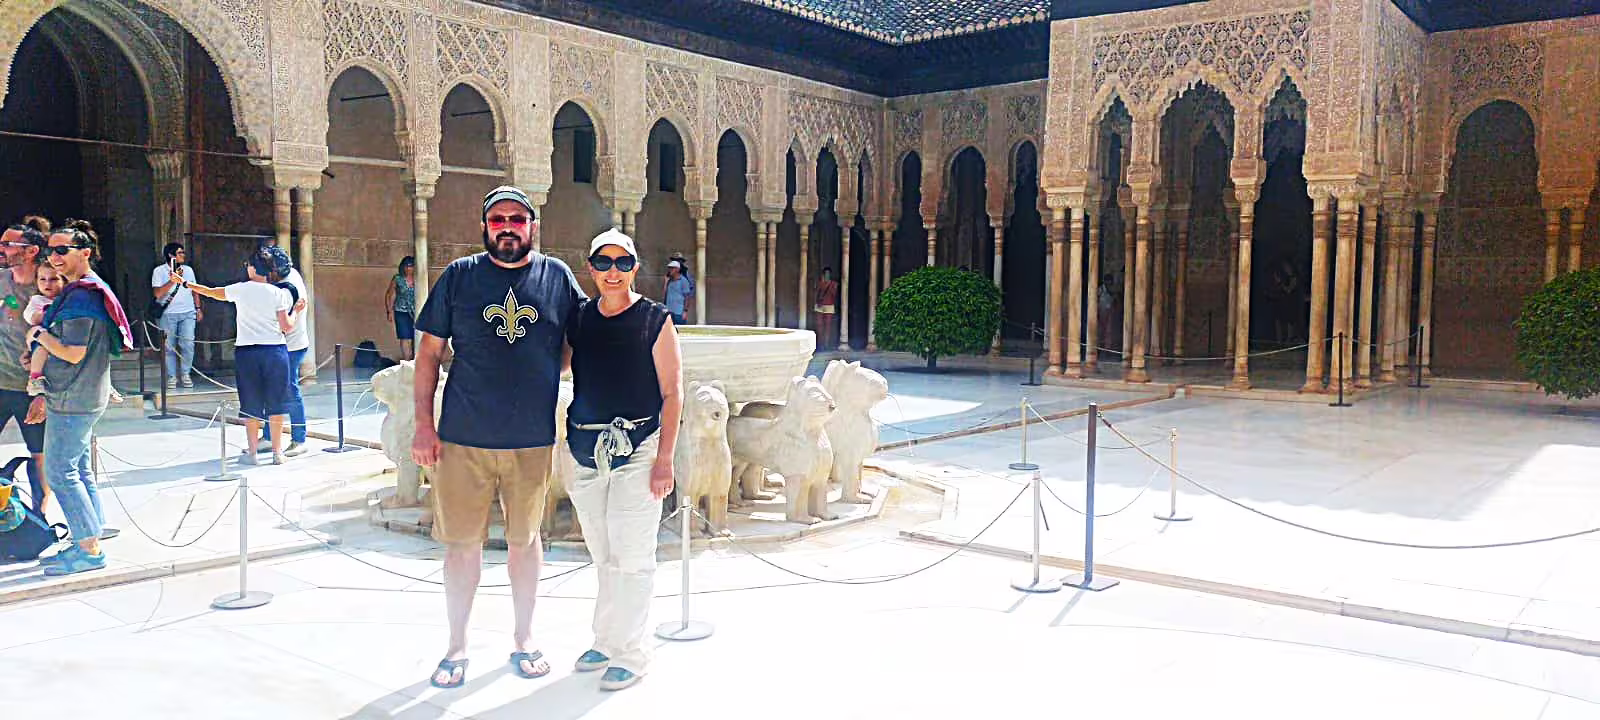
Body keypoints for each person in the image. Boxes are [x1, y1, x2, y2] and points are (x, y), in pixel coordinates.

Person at [411, 186, 586, 688]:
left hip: (531, 438)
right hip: (463, 437)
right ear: (484, 227)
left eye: (517, 219)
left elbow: (581, 341)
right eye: (497, 220)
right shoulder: (459, 278)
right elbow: (428, 357)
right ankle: (457, 645)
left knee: (525, 540)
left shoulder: (556, 277)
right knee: (461, 545)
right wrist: (424, 426)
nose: (507, 227)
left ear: (533, 225)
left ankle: (524, 638)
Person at [566, 229, 682, 691]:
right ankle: (607, 638)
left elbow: (672, 394)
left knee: (633, 553)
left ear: (634, 268)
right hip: (584, 448)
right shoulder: (579, 318)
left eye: (622, 262)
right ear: (590, 268)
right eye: (603, 262)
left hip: (639, 448)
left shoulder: (654, 319)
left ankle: (632, 651)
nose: (612, 271)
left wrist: (665, 460)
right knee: (603, 551)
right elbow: (557, 365)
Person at [31, 220, 134, 576]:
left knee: (60, 472)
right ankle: (89, 534)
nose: (54, 257)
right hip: (83, 392)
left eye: (62, 250)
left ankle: (89, 550)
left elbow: (74, 352)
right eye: (51, 250)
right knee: (78, 468)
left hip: (73, 395)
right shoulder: (87, 291)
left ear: (84, 253)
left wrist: (40, 337)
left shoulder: (81, 297)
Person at [180, 247, 298, 465]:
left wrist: (188, 285)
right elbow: (286, 326)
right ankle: (277, 453)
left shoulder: (241, 290)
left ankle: (252, 453)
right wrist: (296, 311)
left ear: (253, 268)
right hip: (274, 351)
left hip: (247, 352)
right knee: (276, 402)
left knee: (251, 402)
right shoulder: (278, 293)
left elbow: (212, 292)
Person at [0, 217, 51, 518]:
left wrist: (44, 394)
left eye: (8, 244)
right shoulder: (2, 279)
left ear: (31, 251)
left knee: (40, 456)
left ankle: (39, 518)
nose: (2, 248)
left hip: (30, 388)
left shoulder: (47, 285)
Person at [255, 249, 310, 456]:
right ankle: (270, 437)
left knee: (290, 391)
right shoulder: (289, 276)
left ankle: (299, 439)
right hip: (283, 345)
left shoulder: (287, 289)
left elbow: (284, 324)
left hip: (290, 346)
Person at [150, 242, 203, 389]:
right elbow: (157, 294)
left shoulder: (188, 270)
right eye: (180, 253)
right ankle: (172, 376)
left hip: (188, 312)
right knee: (169, 346)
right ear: (171, 255)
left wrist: (198, 308)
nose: (183, 255)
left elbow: (195, 290)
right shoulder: (159, 271)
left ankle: (186, 373)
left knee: (188, 344)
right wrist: (172, 280)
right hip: (168, 313)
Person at [385, 256, 417, 361]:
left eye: (411, 266)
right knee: (405, 337)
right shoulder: (398, 278)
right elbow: (390, 294)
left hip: (416, 311)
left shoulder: (418, 278)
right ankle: (407, 362)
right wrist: (389, 311)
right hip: (401, 311)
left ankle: (416, 361)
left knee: (416, 337)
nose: (408, 268)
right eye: (406, 266)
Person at [814, 266, 838, 350]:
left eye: (829, 274)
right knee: (819, 325)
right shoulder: (820, 283)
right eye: (826, 274)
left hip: (829, 305)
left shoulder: (834, 284)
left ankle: (826, 344)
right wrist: (822, 284)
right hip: (820, 305)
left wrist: (829, 284)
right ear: (823, 274)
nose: (827, 275)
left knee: (828, 325)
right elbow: (816, 293)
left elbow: (834, 294)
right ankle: (820, 344)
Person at [662, 259, 692, 326]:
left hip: (679, 313)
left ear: (677, 269)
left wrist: (685, 311)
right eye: (669, 268)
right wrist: (666, 282)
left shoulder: (683, 281)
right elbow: (664, 296)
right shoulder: (669, 281)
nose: (670, 270)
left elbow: (687, 297)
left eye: (672, 268)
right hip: (669, 312)